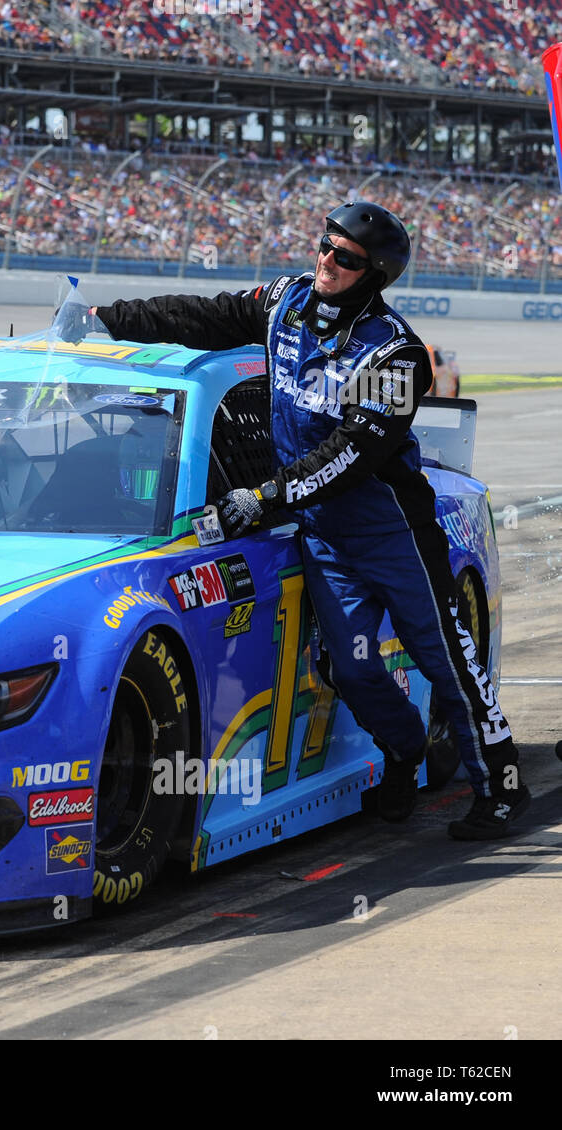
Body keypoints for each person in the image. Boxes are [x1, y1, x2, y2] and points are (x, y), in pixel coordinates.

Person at [56, 200, 529, 840]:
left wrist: (264, 497)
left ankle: (501, 786)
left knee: (446, 661)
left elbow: (350, 460)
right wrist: (105, 319)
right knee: (354, 667)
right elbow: (203, 316)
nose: (328, 261)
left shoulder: (397, 355)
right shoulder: (284, 301)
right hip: (324, 536)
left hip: (394, 534)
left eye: (346, 258)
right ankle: (403, 746)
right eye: (326, 246)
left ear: (375, 273)